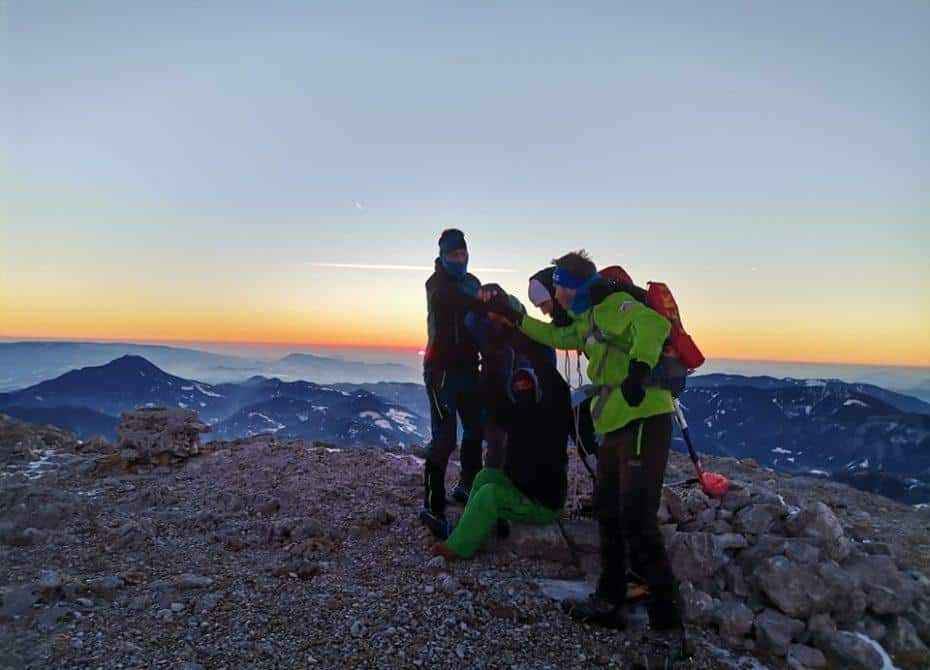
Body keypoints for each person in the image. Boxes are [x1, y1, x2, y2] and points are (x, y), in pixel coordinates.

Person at [486, 250, 683, 636]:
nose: (555, 295)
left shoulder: (611, 305)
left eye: (557, 287)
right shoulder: (587, 317)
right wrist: (517, 319)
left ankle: (669, 626)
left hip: (644, 418)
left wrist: (640, 367)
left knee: (637, 520)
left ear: (570, 287)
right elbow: (555, 336)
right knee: (608, 513)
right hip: (616, 423)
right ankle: (610, 599)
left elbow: (652, 324)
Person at [431, 346, 571, 561]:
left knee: (490, 494)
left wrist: (536, 353)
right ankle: (470, 529)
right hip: (523, 491)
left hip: (542, 503)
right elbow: (494, 400)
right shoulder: (516, 417)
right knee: (485, 476)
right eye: (517, 385)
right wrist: (491, 367)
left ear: (537, 388)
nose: (521, 388)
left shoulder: (550, 418)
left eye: (526, 384)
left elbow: (558, 391)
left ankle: (457, 547)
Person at [419, 229, 487, 539]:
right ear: (443, 256)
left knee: (475, 428)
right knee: (445, 438)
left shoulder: (472, 282)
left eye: (463, 254)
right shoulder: (436, 284)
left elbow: (480, 316)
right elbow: (449, 300)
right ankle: (432, 506)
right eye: (453, 255)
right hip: (441, 373)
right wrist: (483, 300)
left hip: (469, 370)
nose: (460, 260)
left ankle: (468, 485)